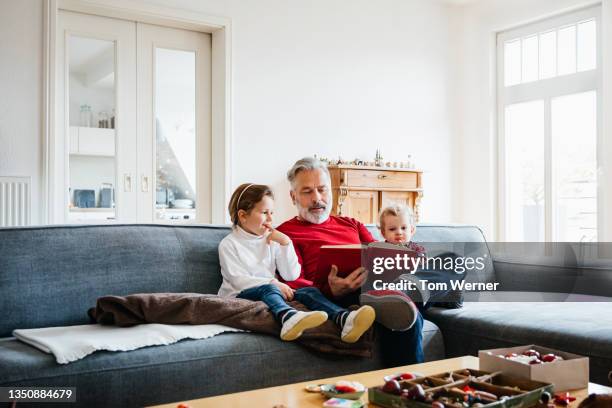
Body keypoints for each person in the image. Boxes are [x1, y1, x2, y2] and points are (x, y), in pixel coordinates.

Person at [277, 158, 424, 364]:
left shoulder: (351, 224)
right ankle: (415, 297)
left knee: (447, 261)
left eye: (322, 189)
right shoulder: (285, 234)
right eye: (307, 191)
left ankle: (415, 293)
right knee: (408, 314)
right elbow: (295, 283)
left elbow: (380, 255)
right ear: (293, 196)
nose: (317, 198)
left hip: (380, 284)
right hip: (343, 297)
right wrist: (332, 290)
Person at [218, 182, 376, 343]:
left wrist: (286, 244)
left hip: (272, 291)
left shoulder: (272, 239)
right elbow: (237, 280)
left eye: (272, 212)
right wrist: (272, 282)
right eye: (265, 213)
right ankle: (288, 317)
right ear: (243, 216)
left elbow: (291, 274)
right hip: (239, 294)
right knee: (270, 289)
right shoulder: (229, 244)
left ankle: (344, 318)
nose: (271, 219)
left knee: (309, 291)